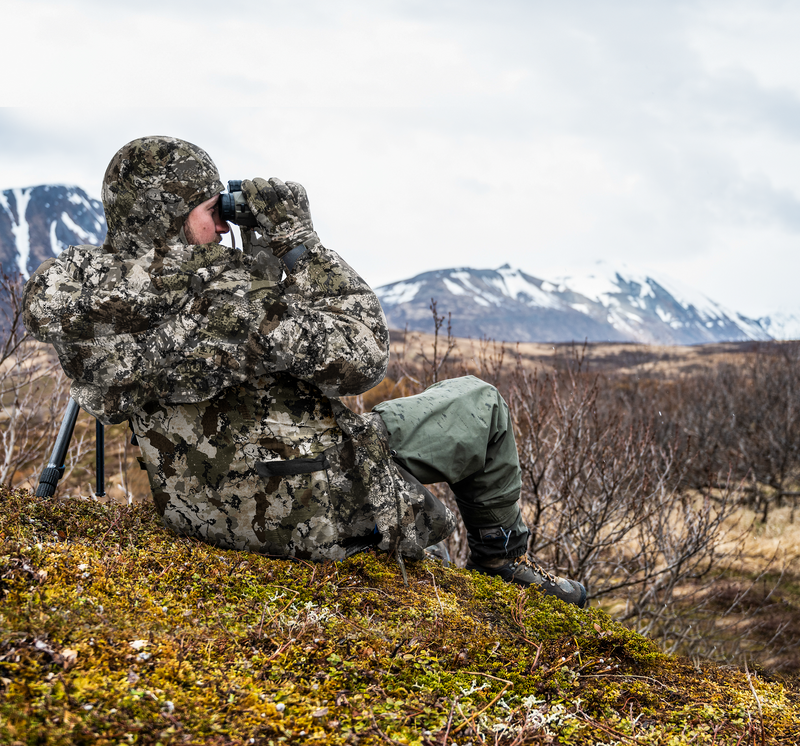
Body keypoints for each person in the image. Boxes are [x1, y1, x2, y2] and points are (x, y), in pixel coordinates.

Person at [22, 136, 586, 607]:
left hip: (203, 512)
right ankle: (505, 564)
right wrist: (297, 242)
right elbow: (364, 353)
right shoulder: (238, 301)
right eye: (211, 211)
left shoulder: (85, 304)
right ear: (172, 212)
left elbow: (99, 367)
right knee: (476, 402)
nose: (221, 227)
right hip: (313, 510)